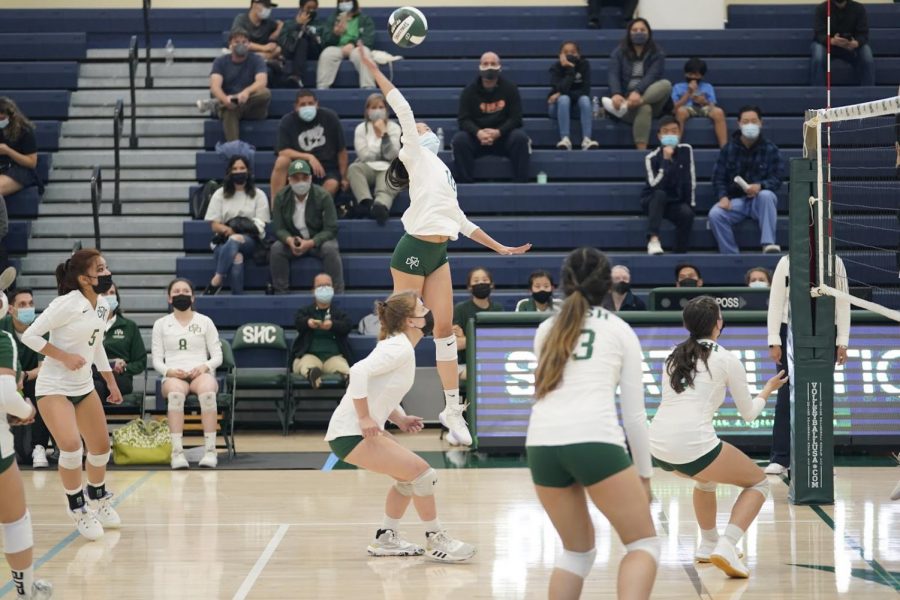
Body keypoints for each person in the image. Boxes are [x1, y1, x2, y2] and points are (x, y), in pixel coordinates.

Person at [359, 48, 531, 447]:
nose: (425, 127)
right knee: (402, 334)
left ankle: (452, 412)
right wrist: (373, 70)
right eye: (420, 126)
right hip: (413, 251)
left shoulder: (442, 170)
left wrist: (499, 248)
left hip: (438, 254)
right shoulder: (414, 154)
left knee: (445, 332)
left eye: (424, 126)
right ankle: (378, 401)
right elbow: (400, 103)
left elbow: (461, 222)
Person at [527, 247, 658, 600]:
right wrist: (644, 475)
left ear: (563, 284)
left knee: (577, 553)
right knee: (643, 544)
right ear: (607, 285)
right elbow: (634, 415)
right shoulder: (619, 329)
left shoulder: (545, 329)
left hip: (540, 444)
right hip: (594, 440)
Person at [324, 290, 476, 562]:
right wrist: (364, 418)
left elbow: (379, 389)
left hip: (350, 433)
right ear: (411, 321)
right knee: (423, 475)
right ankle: (435, 538)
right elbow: (357, 372)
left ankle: (386, 538)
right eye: (422, 307)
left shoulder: (400, 346)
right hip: (351, 433)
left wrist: (399, 418)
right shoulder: (399, 347)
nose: (428, 311)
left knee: (408, 480)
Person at [649, 296, 787, 578]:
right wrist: (767, 390)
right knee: (759, 484)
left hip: (657, 445)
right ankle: (727, 545)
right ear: (718, 324)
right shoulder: (725, 358)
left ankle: (708, 542)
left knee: (706, 480)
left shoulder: (672, 355)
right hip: (691, 444)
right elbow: (748, 414)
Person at [21, 249, 123, 541]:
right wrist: (63, 356)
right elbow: (30, 335)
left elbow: (97, 345)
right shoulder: (65, 304)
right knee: (71, 447)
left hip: (83, 385)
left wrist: (110, 382)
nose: (106, 273)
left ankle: (99, 497)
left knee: (101, 448)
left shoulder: (102, 305)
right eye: (100, 269)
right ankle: (78, 507)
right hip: (53, 386)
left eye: (106, 267)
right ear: (84, 278)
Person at [764, 255, 850, 476]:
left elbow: (843, 301)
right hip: (790, 328)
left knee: (819, 395)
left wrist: (842, 340)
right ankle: (780, 457)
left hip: (824, 328)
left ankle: (816, 457)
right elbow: (776, 300)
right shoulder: (788, 261)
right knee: (786, 393)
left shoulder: (834, 262)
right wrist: (774, 338)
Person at [0, 287, 53, 599]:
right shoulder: (3, 341)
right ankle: (25, 592)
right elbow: (6, 396)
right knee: (15, 519)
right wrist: (27, 410)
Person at [151, 278, 223, 470]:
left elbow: (218, 356)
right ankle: (177, 453)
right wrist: (169, 371)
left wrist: (204, 367)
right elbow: (156, 360)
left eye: (185, 291)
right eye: (176, 292)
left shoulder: (205, 321)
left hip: (200, 372)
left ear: (192, 297)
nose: (180, 295)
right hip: (175, 374)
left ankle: (210, 451)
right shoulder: (161, 324)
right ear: (169, 298)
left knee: (208, 392)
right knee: (175, 395)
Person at [709, 105, 785, 255]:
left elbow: (777, 178)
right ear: (739, 124)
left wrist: (760, 186)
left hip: (759, 201)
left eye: (754, 121)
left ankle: (768, 244)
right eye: (745, 121)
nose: (750, 125)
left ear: (760, 123)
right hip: (736, 202)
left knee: (767, 195)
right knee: (715, 214)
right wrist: (723, 197)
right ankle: (730, 254)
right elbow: (718, 178)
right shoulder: (728, 149)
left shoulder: (770, 149)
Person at [452, 52, 531, 184]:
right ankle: (465, 184)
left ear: (500, 67)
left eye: (493, 64)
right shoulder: (469, 91)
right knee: (460, 140)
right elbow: (463, 120)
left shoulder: (510, 88)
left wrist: (498, 132)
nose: (489, 67)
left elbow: (516, 118)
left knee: (520, 138)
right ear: (480, 67)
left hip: (503, 137)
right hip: (477, 138)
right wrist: (478, 133)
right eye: (486, 64)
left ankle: (520, 183)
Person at [269, 159, 345, 293]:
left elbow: (331, 228)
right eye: (296, 178)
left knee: (330, 248)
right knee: (276, 249)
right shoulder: (281, 197)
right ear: (289, 180)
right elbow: (279, 228)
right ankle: (280, 292)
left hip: (317, 240)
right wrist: (289, 240)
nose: (300, 182)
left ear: (310, 178)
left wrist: (311, 242)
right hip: (294, 241)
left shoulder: (323, 196)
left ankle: (338, 292)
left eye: (304, 177)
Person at [203, 156, 271, 296]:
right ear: (229, 172)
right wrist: (228, 230)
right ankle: (237, 297)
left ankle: (217, 280)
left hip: (250, 240)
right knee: (236, 257)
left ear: (248, 171)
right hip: (224, 238)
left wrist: (240, 231)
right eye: (234, 169)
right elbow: (214, 225)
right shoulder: (220, 194)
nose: (238, 171)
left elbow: (261, 225)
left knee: (236, 239)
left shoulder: (259, 195)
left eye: (242, 168)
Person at [602, 19, 672, 150]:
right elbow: (613, 74)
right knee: (645, 109)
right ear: (629, 33)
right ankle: (641, 153)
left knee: (666, 84)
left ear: (649, 33)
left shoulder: (657, 53)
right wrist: (616, 94)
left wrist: (637, 92)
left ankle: (628, 104)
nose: (638, 33)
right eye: (634, 30)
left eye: (642, 30)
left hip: (650, 98)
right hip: (628, 102)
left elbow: (653, 76)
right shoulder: (619, 52)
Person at [1, 289, 48, 468]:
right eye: (22, 304)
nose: (28, 308)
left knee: (41, 388)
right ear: (10, 309)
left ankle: (39, 447)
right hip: (6, 380)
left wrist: (24, 375)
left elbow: (44, 368)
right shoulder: (2, 326)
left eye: (31, 303)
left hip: (32, 379)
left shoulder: (42, 328)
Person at [271, 90, 348, 199]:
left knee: (332, 185)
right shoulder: (287, 121)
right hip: (298, 167)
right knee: (281, 161)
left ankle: (312, 211)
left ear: (317, 104)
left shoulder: (330, 117)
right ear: (296, 107)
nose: (307, 107)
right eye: (303, 104)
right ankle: (275, 209)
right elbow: (282, 151)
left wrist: (343, 177)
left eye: (310, 103)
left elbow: (342, 151)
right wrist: (309, 157)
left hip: (327, 168)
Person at [200, 30, 272, 143]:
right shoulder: (220, 62)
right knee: (229, 110)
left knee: (265, 93)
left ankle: (217, 104)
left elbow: (262, 82)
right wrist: (226, 100)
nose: (241, 45)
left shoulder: (257, 60)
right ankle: (235, 153)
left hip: (252, 107)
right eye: (237, 42)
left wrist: (246, 92)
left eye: (244, 42)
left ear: (249, 44)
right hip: (230, 106)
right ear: (230, 45)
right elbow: (215, 86)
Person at [640, 116, 696, 255]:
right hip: (653, 200)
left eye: (674, 131)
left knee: (687, 213)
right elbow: (654, 186)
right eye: (665, 131)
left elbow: (690, 178)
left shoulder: (686, 150)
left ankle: (679, 253)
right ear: (659, 136)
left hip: (674, 201)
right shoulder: (651, 157)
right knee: (660, 194)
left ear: (679, 133)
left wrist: (691, 204)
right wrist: (665, 162)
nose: (670, 135)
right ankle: (653, 239)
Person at [291, 273, 353, 389]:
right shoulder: (305, 311)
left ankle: (348, 380)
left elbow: (347, 325)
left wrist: (333, 325)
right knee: (306, 364)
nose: (324, 289)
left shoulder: (339, 313)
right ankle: (312, 374)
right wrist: (308, 323)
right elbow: (298, 322)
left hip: (333, 356)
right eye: (320, 286)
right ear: (313, 290)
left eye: (327, 285)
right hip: (311, 355)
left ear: (333, 289)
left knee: (344, 368)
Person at [348, 93, 401, 225]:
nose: (377, 110)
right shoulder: (361, 128)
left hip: (388, 166)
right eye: (373, 107)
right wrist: (381, 153)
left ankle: (380, 207)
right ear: (367, 111)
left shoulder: (394, 128)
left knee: (389, 181)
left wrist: (384, 134)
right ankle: (366, 202)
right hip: (367, 167)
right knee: (354, 168)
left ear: (386, 110)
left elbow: (392, 155)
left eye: (380, 107)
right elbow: (363, 155)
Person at [93, 283, 146, 403]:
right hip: (92, 375)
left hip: (119, 379)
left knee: (94, 387)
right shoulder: (86, 325)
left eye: (111, 293)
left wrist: (124, 368)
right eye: (104, 294)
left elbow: (141, 362)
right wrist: (111, 363)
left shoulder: (129, 326)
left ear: (117, 297)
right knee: (95, 386)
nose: (108, 296)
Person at [453, 268, 504, 383]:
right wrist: (488, 340)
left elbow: (501, 343)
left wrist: (467, 339)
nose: (481, 283)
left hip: (493, 363)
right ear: (469, 287)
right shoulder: (461, 309)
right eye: (476, 281)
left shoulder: (498, 308)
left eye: (485, 280)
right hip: (465, 364)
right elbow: (455, 344)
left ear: (491, 285)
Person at [810, 0, 875, 87]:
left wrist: (856, 43)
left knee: (867, 55)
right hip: (828, 45)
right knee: (818, 54)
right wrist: (832, 41)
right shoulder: (822, 8)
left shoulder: (859, 8)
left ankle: (868, 93)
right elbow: (819, 33)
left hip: (852, 46)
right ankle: (818, 92)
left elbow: (863, 33)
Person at [548, 41, 598, 151]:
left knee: (584, 99)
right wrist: (570, 69)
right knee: (564, 99)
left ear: (578, 55)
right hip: (558, 108)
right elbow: (559, 88)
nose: (569, 55)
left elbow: (585, 91)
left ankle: (587, 139)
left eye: (573, 52)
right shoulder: (556, 67)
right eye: (565, 52)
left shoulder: (584, 65)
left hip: (576, 108)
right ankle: (565, 139)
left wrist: (561, 93)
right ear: (560, 55)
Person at [316, 0, 376, 89]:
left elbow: (368, 39)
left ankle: (369, 87)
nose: (344, 3)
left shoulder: (365, 19)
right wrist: (335, 34)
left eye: (347, 1)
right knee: (326, 54)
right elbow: (326, 42)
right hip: (337, 47)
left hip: (357, 47)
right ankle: (322, 88)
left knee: (365, 53)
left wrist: (353, 43)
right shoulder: (332, 19)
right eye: (342, 1)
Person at [672, 57, 727, 148]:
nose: (693, 77)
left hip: (703, 108)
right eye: (690, 74)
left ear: (701, 76)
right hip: (687, 108)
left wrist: (704, 101)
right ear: (685, 74)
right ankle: (676, 147)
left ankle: (724, 148)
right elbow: (674, 109)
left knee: (719, 112)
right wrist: (688, 94)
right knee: (680, 111)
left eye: (696, 75)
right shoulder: (678, 87)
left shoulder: (707, 87)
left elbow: (712, 106)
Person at [0, 97, 40, 199]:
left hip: (20, 170)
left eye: (2, 119)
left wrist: (8, 151)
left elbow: (31, 162)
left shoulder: (24, 131)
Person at [278, 0, 324, 87]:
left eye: (314, 8)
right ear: (301, 8)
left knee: (304, 40)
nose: (311, 11)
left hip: (312, 52)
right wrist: (298, 25)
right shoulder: (289, 24)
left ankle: (296, 76)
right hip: (291, 51)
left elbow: (322, 43)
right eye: (308, 8)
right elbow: (283, 42)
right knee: (301, 42)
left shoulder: (320, 25)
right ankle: (296, 77)